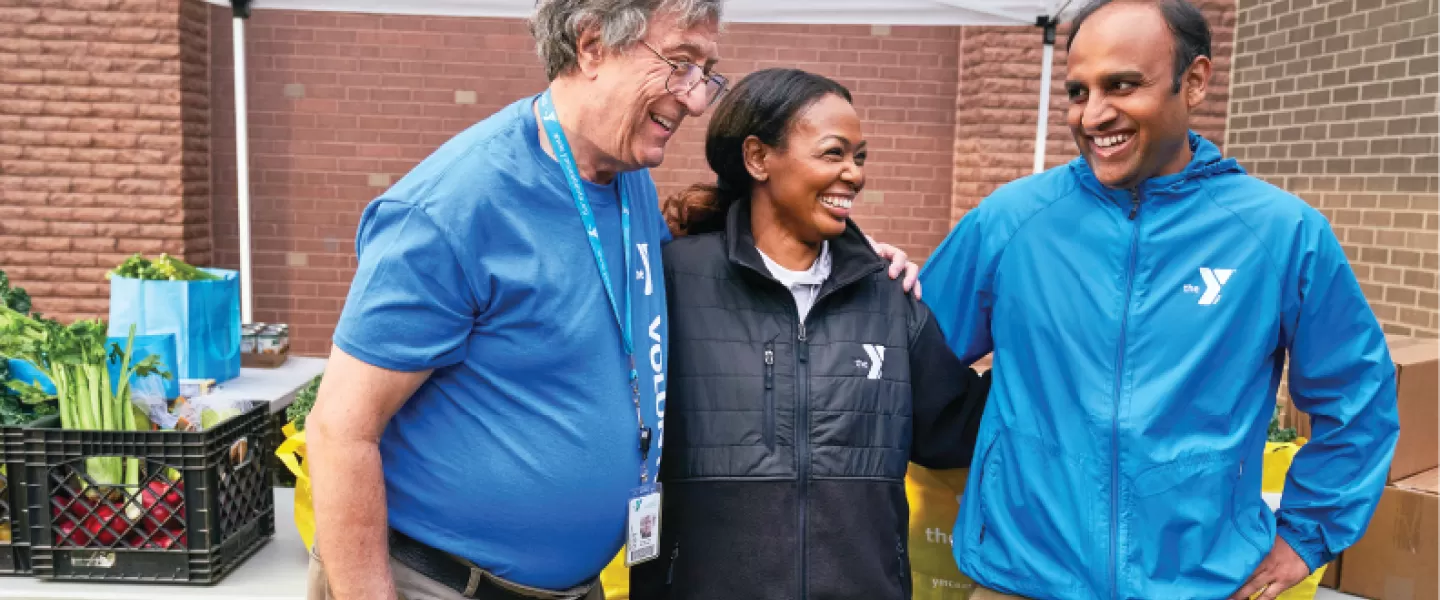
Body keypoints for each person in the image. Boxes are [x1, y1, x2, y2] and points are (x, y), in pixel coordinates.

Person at [301, 1, 924, 599]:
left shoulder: (628, 183)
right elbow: (339, 432)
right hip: (439, 583)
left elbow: (721, 246)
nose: (697, 98)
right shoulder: (455, 205)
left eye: (706, 73)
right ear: (593, 45)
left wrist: (851, 256)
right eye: (680, 63)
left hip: (571, 587)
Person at [918, 1, 1401, 599]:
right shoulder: (1011, 221)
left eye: (1122, 85)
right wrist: (861, 278)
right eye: (1078, 91)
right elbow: (909, 355)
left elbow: (1359, 396)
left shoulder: (1281, 235)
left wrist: (1306, 536)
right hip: (1022, 582)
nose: (1093, 115)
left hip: (1200, 587)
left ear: (1194, 81)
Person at [627, 68, 991, 600]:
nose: (854, 174)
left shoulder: (887, 296)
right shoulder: (671, 284)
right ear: (758, 158)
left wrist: (1050, 341)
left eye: (859, 157)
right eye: (833, 153)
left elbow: (953, 431)